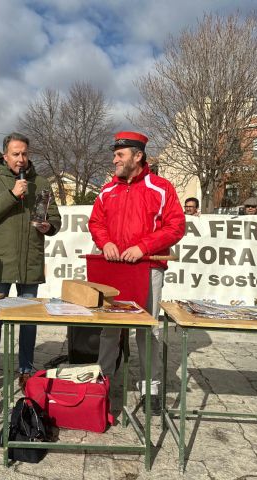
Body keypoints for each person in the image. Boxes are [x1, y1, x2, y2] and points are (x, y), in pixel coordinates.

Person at [88, 131, 185, 414]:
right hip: (113, 270)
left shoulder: (162, 187)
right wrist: (104, 242)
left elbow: (175, 226)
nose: (114, 159)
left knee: (147, 330)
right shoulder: (107, 190)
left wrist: (143, 247)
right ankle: (103, 382)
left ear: (137, 156)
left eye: (120, 154)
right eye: (115, 154)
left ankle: (151, 388)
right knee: (109, 328)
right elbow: (96, 222)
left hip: (148, 267)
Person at [0, 132, 61, 400]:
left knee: (29, 321)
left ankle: (25, 371)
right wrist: (12, 194)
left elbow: (55, 216)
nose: (21, 159)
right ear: (4, 156)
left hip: (30, 260)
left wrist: (49, 226)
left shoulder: (42, 182)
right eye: (15, 154)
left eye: (24, 154)